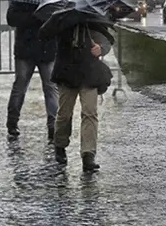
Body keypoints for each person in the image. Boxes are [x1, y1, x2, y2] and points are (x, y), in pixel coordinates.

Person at [44, 21, 114, 172]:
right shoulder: (63, 18)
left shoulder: (94, 18)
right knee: (64, 113)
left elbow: (106, 39)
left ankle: (88, 154)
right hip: (66, 70)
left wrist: (101, 49)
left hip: (89, 72)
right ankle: (60, 144)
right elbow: (50, 36)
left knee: (90, 112)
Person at [6, 1, 58, 140]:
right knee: (21, 85)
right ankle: (12, 121)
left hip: (46, 49)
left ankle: (53, 125)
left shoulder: (52, 0)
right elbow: (11, 18)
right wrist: (35, 16)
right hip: (27, 49)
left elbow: (59, 21)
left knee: (50, 87)